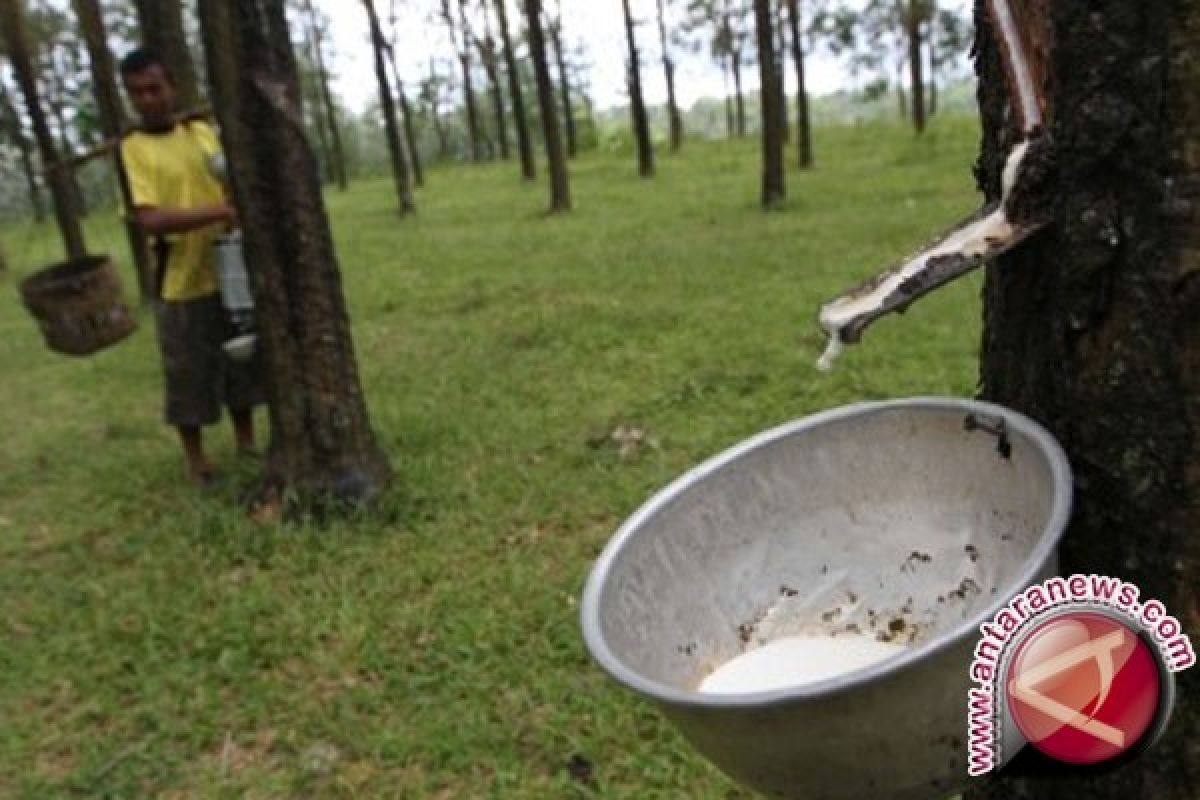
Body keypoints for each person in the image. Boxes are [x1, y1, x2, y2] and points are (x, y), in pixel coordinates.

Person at [118, 48, 263, 486]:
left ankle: (246, 443)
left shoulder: (202, 132)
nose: (147, 100)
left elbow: (230, 175)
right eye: (137, 93)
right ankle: (197, 460)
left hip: (228, 267)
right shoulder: (134, 150)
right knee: (187, 370)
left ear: (173, 88)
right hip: (179, 279)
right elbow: (149, 219)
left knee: (240, 356)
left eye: (155, 89)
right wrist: (218, 212)